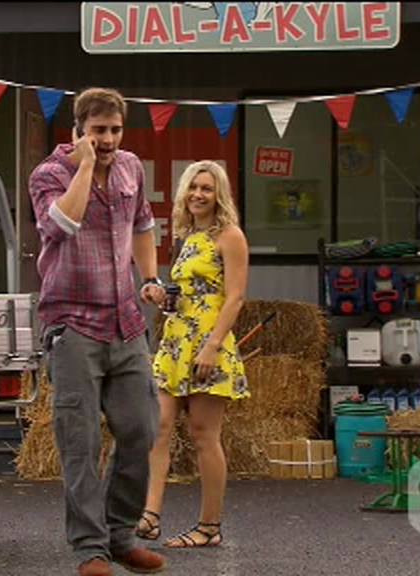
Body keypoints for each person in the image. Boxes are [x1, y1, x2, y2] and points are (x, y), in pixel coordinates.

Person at [28, 87, 168, 576]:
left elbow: (143, 225)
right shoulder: (49, 174)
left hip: (125, 322)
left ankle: (121, 534)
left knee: (141, 428)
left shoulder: (131, 167)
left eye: (114, 130)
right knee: (80, 441)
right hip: (73, 324)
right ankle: (90, 547)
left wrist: (149, 277)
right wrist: (85, 166)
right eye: (98, 131)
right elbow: (60, 225)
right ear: (78, 131)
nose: (108, 140)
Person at [135, 160, 250, 549]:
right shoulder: (187, 237)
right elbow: (187, 294)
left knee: (204, 435)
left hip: (208, 344)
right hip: (175, 342)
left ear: (219, 195)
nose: (198, 194)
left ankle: (209, 526)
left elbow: (234, 298)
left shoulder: (229, 236)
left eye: (207, 188)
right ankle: (150, 515)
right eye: (193, 187)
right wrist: (160, 295)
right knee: (158, 426)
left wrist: (213, 346)